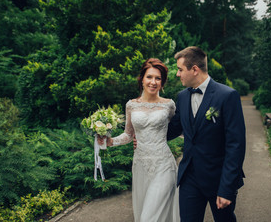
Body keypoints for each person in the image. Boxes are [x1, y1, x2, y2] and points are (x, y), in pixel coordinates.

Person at [166, 46, 246, 222]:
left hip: (219, 179)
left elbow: (236, 146)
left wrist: (226, 188)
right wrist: (145, 133)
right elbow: (173, 128)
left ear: (194, 69)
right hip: (189, 179)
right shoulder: (182, 96)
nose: (177, 74)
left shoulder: (227, 95)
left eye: (180, 70)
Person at [99, 58, 180, 222]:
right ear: (142, 79)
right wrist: (110, 141)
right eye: (149, 77)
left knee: (148, 218)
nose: (153, 82)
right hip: (140, 166)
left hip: (163, 165)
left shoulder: (169, 105)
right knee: (146, 212)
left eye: (158, 78)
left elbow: (180, 130)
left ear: (162, 82)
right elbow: (128, 134)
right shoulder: (131, 105)